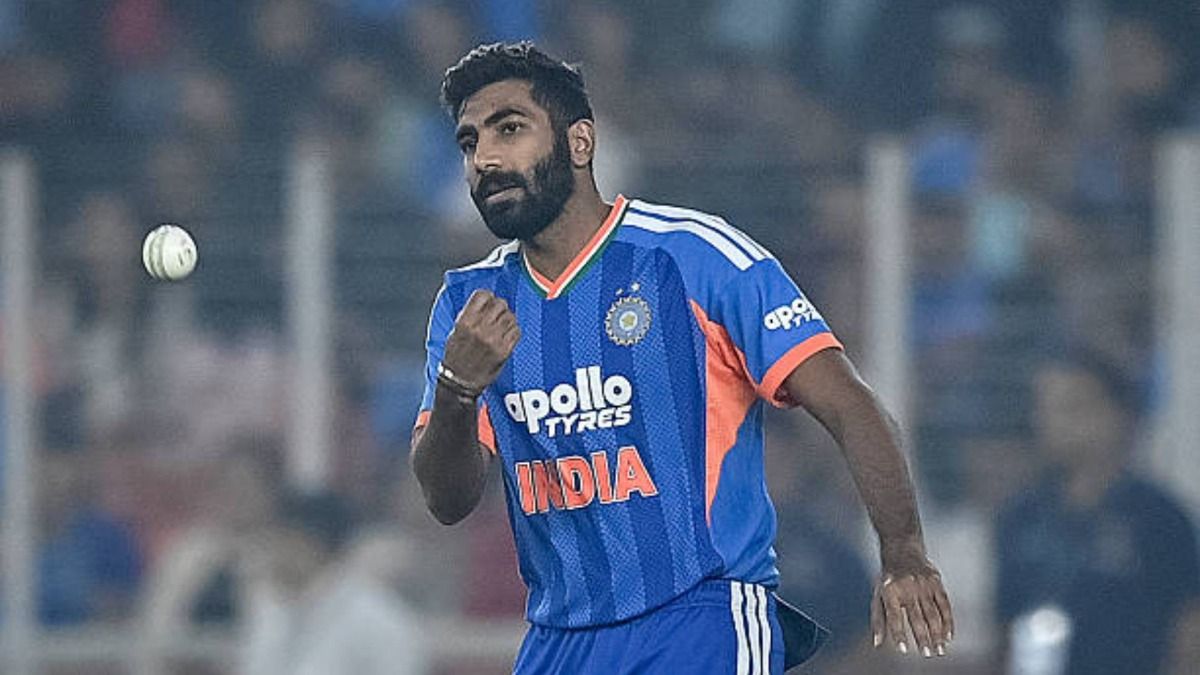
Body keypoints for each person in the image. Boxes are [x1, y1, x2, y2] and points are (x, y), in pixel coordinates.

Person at [410, 41, 953, 674]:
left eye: (510, 128)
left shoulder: (695, 258)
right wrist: (456, 390)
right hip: (559, 638)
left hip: (701, 617)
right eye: (470, 143)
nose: (487, 159)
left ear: (580, 143)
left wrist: (904, 552)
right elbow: (447, 502)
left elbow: (848, 404)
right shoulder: (466, 305)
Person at [994, 352, 1200, 675]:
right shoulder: (1020, 517)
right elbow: (1005, 631)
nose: (1052, 421)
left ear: (1118, 416)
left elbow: (1188, 635)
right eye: (1044, 408)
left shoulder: (1161, 519)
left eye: (1071, 407)